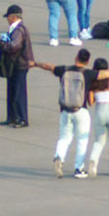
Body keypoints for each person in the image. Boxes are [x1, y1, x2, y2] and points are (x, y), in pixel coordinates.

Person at [32, 45, 91, 176]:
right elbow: (105, 74)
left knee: (64, 137)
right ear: (87, 61)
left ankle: (59, 156)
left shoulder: (64, 70)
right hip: (81, 110)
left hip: (65, 110)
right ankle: (79, 169)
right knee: (82, 139)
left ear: (76, 57)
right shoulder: (87, 74)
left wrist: (35, 63)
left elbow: (48, 66)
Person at [82, 60, 109, 178]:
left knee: (99, 140)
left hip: (99, 113)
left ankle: (93, 161)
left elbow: (90, 102)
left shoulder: (93, 83)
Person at [0, 6, 33, 128]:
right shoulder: (15, 29)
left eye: (8, 16)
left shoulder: (19, 30)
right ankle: (12, 117)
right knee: (11, 91)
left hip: (19, 65)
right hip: (14, 64)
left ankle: (22, 118)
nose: (7, 19)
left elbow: (13, 46)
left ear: (13, 17)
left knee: (19, 93)